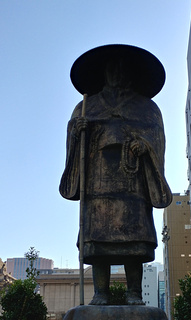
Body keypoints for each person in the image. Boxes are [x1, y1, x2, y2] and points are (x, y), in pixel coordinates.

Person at [59, 44, 172, 305]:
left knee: (134, 241)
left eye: (123, 68)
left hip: (133, 182)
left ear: (131, 73)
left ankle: (134, 293)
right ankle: (101, 293)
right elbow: (73, 141)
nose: (118, 73)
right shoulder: (86, 106)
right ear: (104, 72)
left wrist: (145, 145)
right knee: (99, 242)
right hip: (97, 183)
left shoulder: (147, 108)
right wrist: (78, 132)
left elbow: (157, 139)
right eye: (112, 68)